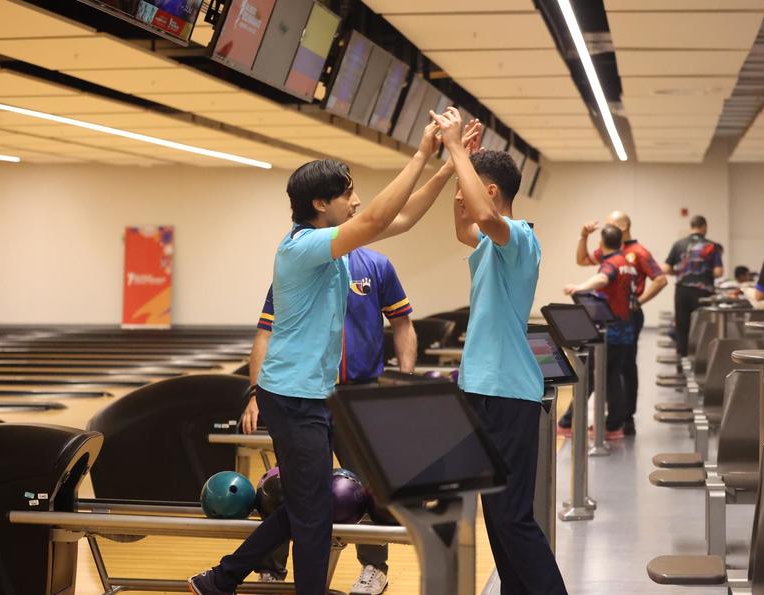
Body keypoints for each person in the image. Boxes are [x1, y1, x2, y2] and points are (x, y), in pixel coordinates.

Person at [189, 121, 444, 595]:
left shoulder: (336, 249)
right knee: (313, 514)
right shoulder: (303, 248)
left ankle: (221, 578)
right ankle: (234, 580)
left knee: (310, 503)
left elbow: (403, 219)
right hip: (291, 396)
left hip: (317, 395)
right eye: (348, 194)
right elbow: (371, 222)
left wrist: (447, 166)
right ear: (319, 204)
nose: (357, 201)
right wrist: (420, 151)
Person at [433, 106, 568, 595]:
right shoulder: (489, 245)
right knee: (496, 512)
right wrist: (460, 162)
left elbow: (485, 216)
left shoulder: (521, 239)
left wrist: (453, 148)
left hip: (508, 392)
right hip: (480, 389)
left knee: (512, 516)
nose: (461, 197)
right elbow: (462, 227)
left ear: (489, 191)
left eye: (468, 188)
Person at [243, 246, 417, 593]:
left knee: (368, 486)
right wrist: (252, 392)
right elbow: (266, 333)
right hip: (306, 392)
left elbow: (403, 324)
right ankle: (272, 568)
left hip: (359, 394)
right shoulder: (299, 265)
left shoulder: (377, 265)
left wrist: (405, 383)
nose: (353, 206)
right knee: (291, 485)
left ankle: (373, 567)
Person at [573, 211, 666, 435]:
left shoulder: (639, 252)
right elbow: (582, 260)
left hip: (629, 316)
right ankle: (612, 419)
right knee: (608, 369)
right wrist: (583, 237)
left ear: (623, 227)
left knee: (626, 367)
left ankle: (626, 418)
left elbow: (660, 279)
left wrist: (637, 301)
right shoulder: (611, 250)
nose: (605, 228)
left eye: (610, 224)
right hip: (608, 317)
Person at [564, 224, 637, 440]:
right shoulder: (626, 261)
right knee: (613, 378)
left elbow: (603, 279)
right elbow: (582, 259)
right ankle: (613, 425)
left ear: (601, 243)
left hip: (610, 333)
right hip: (625, 331)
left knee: (588, 378)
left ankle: (568, 422)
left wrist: (579, 287)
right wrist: (583, 235)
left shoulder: (612, 264)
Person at [662, 215, 724, 357]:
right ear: (704, 227)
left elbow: (665, 268)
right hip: (703, 293)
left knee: (682, 326)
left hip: (682, 290)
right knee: (703, 327)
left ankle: (682, 357)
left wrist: (679, 271)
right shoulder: (711, 246)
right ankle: (701, 359)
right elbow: (719, 272)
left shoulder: (678, 244)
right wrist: (706, 272)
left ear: (691, 226)